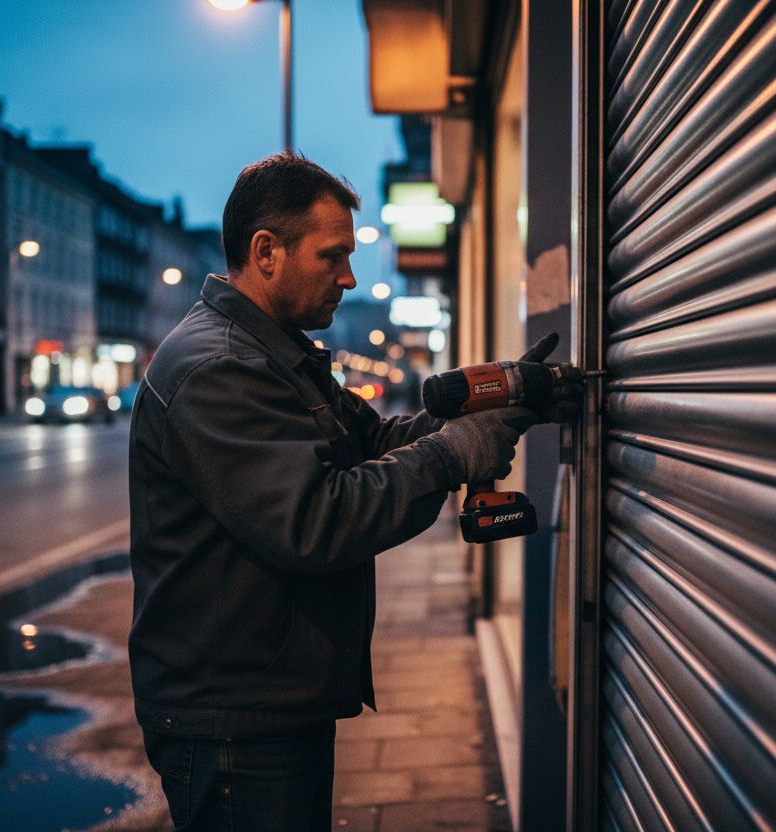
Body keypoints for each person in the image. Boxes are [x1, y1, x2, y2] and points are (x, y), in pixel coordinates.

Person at [128, 153, 562, 830]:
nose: (349, 276)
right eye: (332, 256)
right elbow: (315, 521)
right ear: (265, 251)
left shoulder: (275, 353)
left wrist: (492, 408)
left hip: (268, 699)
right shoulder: (219, 368)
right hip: (232, 719)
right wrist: (453, 454)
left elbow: (374, 442)